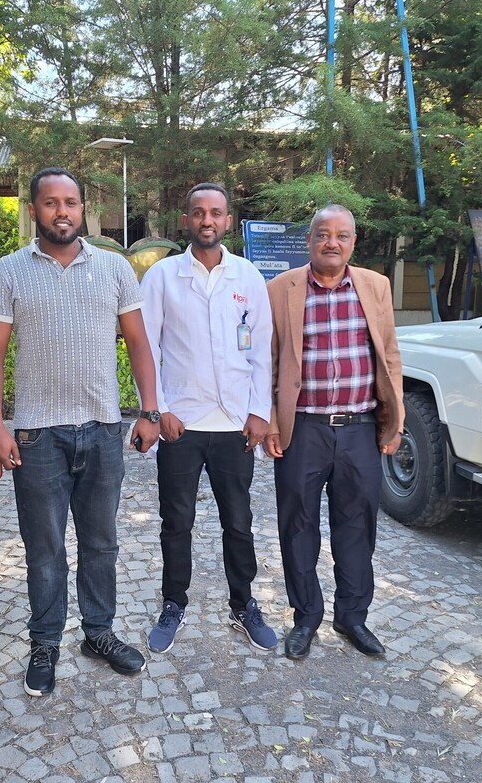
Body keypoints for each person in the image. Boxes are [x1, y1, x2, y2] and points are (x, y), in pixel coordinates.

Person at [0, 166, 161, 698]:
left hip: (103, 428)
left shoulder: (113, 269)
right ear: (33, 210)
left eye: (72, 203)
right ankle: (45, 644)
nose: (63, 212)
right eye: (52, 203)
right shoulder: (8, 272)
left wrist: (148, 411)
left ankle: (99, 634)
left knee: (101, 543)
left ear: (84, 210)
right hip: (37, 437)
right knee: (45, 549)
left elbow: (139, 343)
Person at [140, 182, 278, 654]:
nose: (206, 221)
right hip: (182, 423)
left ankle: (243, 605)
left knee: (238, 520)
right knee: (176, 521)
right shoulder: (161, 277)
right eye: (198, 213)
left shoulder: (248, 278)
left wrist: (261, 412)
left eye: (215, 213)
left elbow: (262, 350)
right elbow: (147, 349)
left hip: (235, 425)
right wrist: (159, 411)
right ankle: (173, 602)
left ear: (227, 221)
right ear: (186, 220)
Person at [264, 204, 404, 661]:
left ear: (353, 243)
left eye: (342, 236)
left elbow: (390, 357)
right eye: (323, 234)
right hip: (303, 428)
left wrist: (394, 421)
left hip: (360, 428)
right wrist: (269, 420)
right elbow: (265, 361)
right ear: (309, 241)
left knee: (357, 526)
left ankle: (353, 617)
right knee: (298, 524)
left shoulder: (375, 287)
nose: (332, 242)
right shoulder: (279, 290)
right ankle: (305, 617)